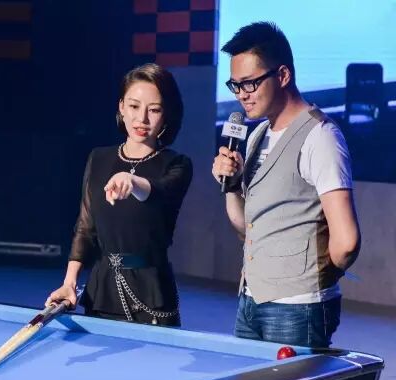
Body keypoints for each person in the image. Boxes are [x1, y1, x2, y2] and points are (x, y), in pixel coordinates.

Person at [212, 22, 360, 347]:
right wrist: (232, 186)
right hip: (250, 299)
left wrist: (314, 281)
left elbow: (347, 242)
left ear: (282, 76)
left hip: (297, 307)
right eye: (235, 85)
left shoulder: (320, 136)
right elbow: (247, 228)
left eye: (250, 83)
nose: (241, 94)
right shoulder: (257, 135)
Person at [46, 63, 192, 327]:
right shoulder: (99, 158)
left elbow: (159, 192)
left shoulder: (177, 164)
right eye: (134, 106)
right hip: (101, 291)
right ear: (121, 107)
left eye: (154, 110)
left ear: (167, 115)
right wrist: (69, 282)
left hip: (152, 295)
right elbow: (86, 227)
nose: (142, 119)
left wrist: (132, 181)